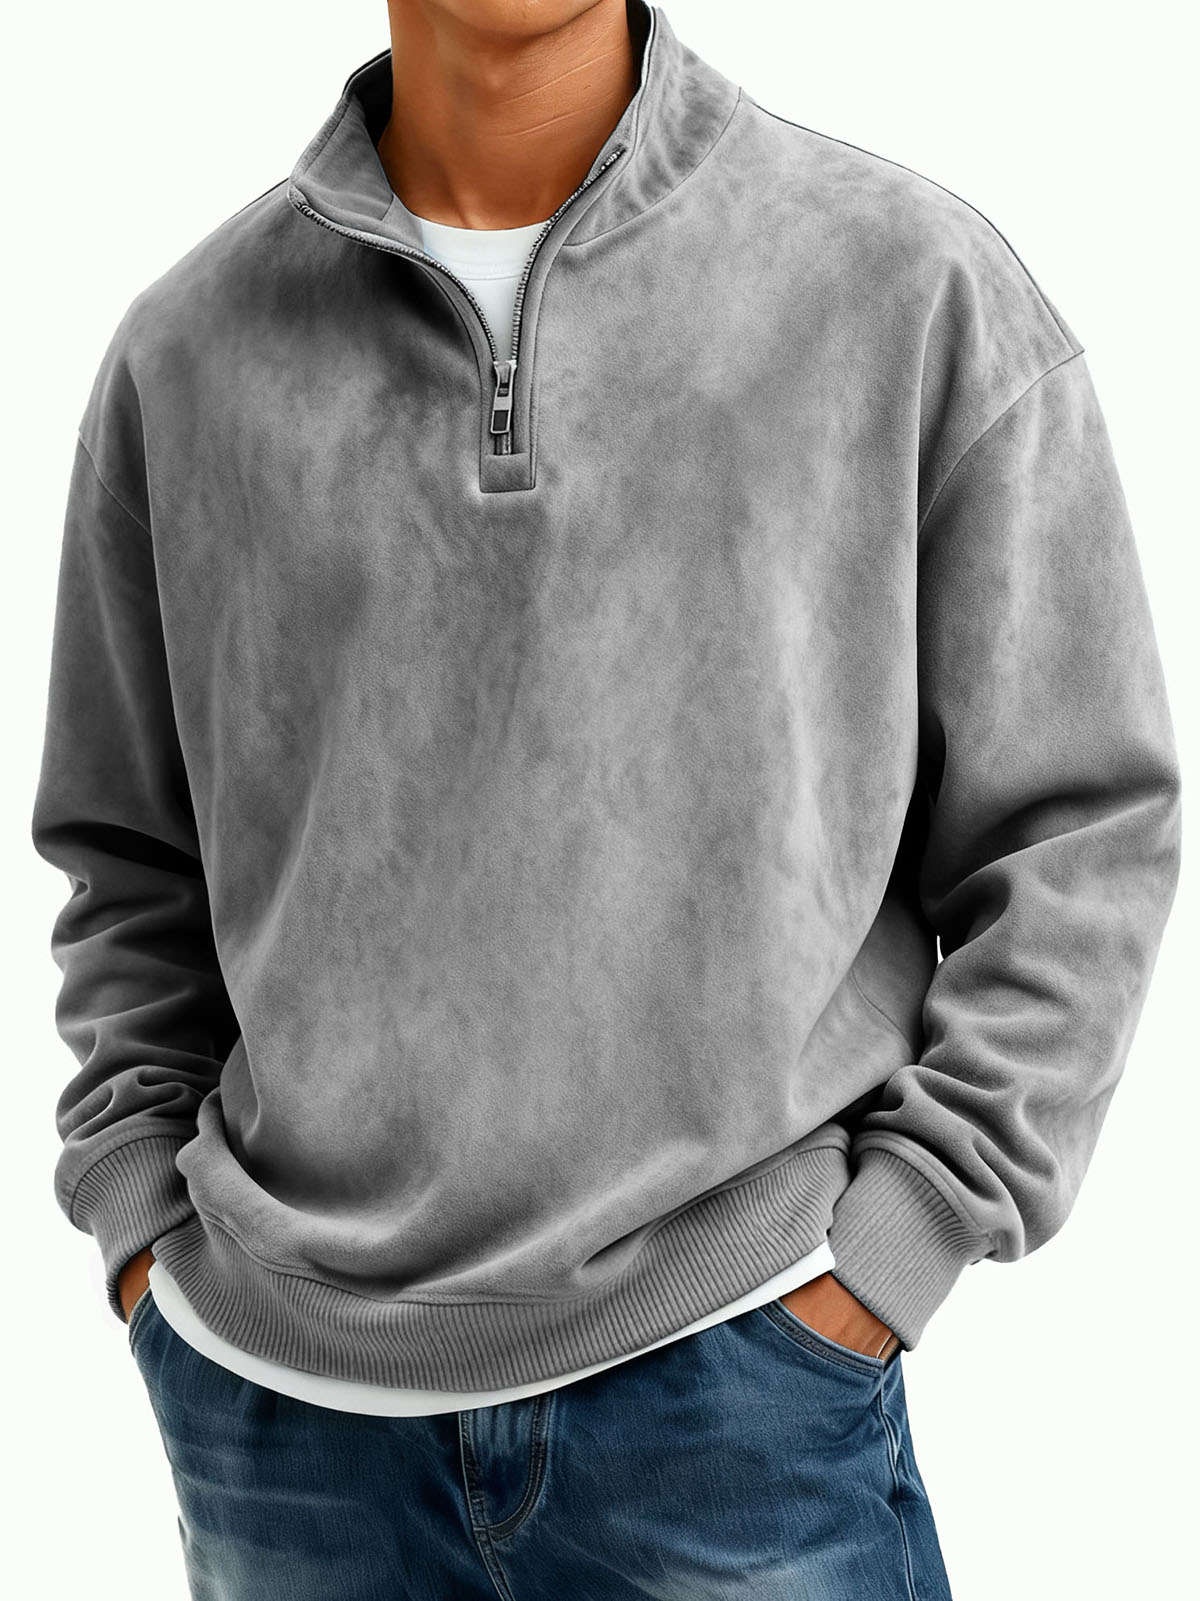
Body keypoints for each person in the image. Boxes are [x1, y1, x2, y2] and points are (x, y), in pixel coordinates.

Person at [31, 0, 1181, 1595]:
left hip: (738, 1398)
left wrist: (903, 1238)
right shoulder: (188, 354)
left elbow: (1080, 824)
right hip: (285, 1438)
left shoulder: (904, 284)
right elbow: (128, 860)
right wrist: (143, 1230)